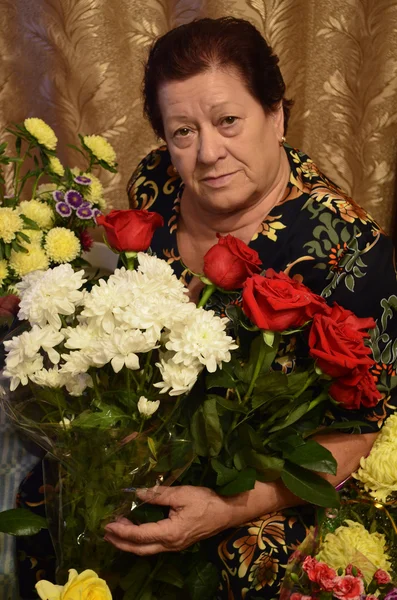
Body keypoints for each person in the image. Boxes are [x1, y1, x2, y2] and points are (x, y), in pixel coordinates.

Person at [16, 16, 397, 600]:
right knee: (54, 498)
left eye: (228, 122)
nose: (208, 153)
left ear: (276, 116)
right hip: (152, 438)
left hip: (273, 476)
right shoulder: (157, 183)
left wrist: (226, 507)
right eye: (183, 131)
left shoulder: (352, 253)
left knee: (241, 563)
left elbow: (359, 434)